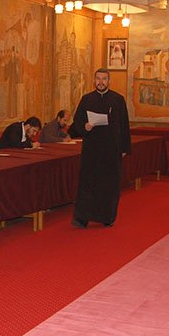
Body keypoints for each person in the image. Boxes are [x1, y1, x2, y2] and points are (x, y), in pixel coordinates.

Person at [71, 68, 130, 228]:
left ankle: (107, 217)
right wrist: (85, 127)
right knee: (87, 183)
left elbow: (124, 125)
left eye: (104, 79)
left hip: (111, 149)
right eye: (98, 79)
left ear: (109, 81)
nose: (101, 82)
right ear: (94, 80)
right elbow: (76, 123)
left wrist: (125, 148)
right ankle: (82, 218)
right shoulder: (86, 99)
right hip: (92, 149)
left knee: (109, 184)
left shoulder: (118, 100)